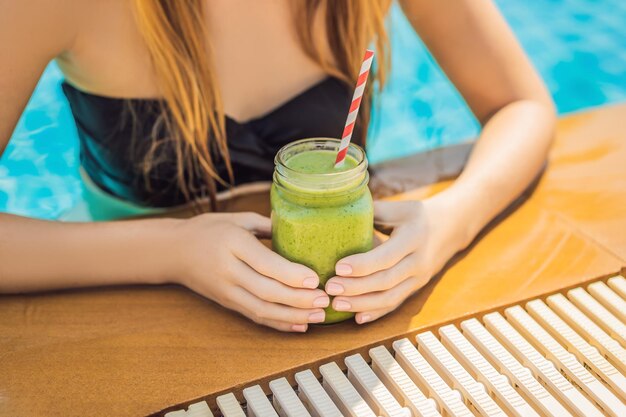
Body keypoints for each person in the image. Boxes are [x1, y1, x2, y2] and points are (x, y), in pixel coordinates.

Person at [0, 0, 555, 332]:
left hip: (343, 314)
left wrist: (445, 224)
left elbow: (521, 105)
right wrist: (173, 250)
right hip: (128, 306)